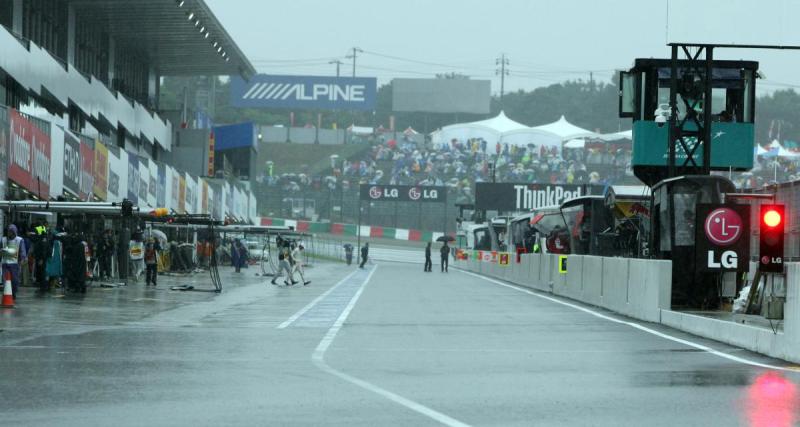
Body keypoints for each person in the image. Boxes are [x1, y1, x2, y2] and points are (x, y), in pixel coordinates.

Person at [1, 224, 26, 299]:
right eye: (8, 231)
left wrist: (22, 259)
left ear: (14, 232)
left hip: (15, 264)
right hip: (5, 263)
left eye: (11, 231)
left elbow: (22, 251)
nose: (9, 233)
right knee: (5, 281)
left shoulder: (19, 240)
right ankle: (7, 295)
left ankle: (13, 293)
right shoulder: (3, 239)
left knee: (15, 280)